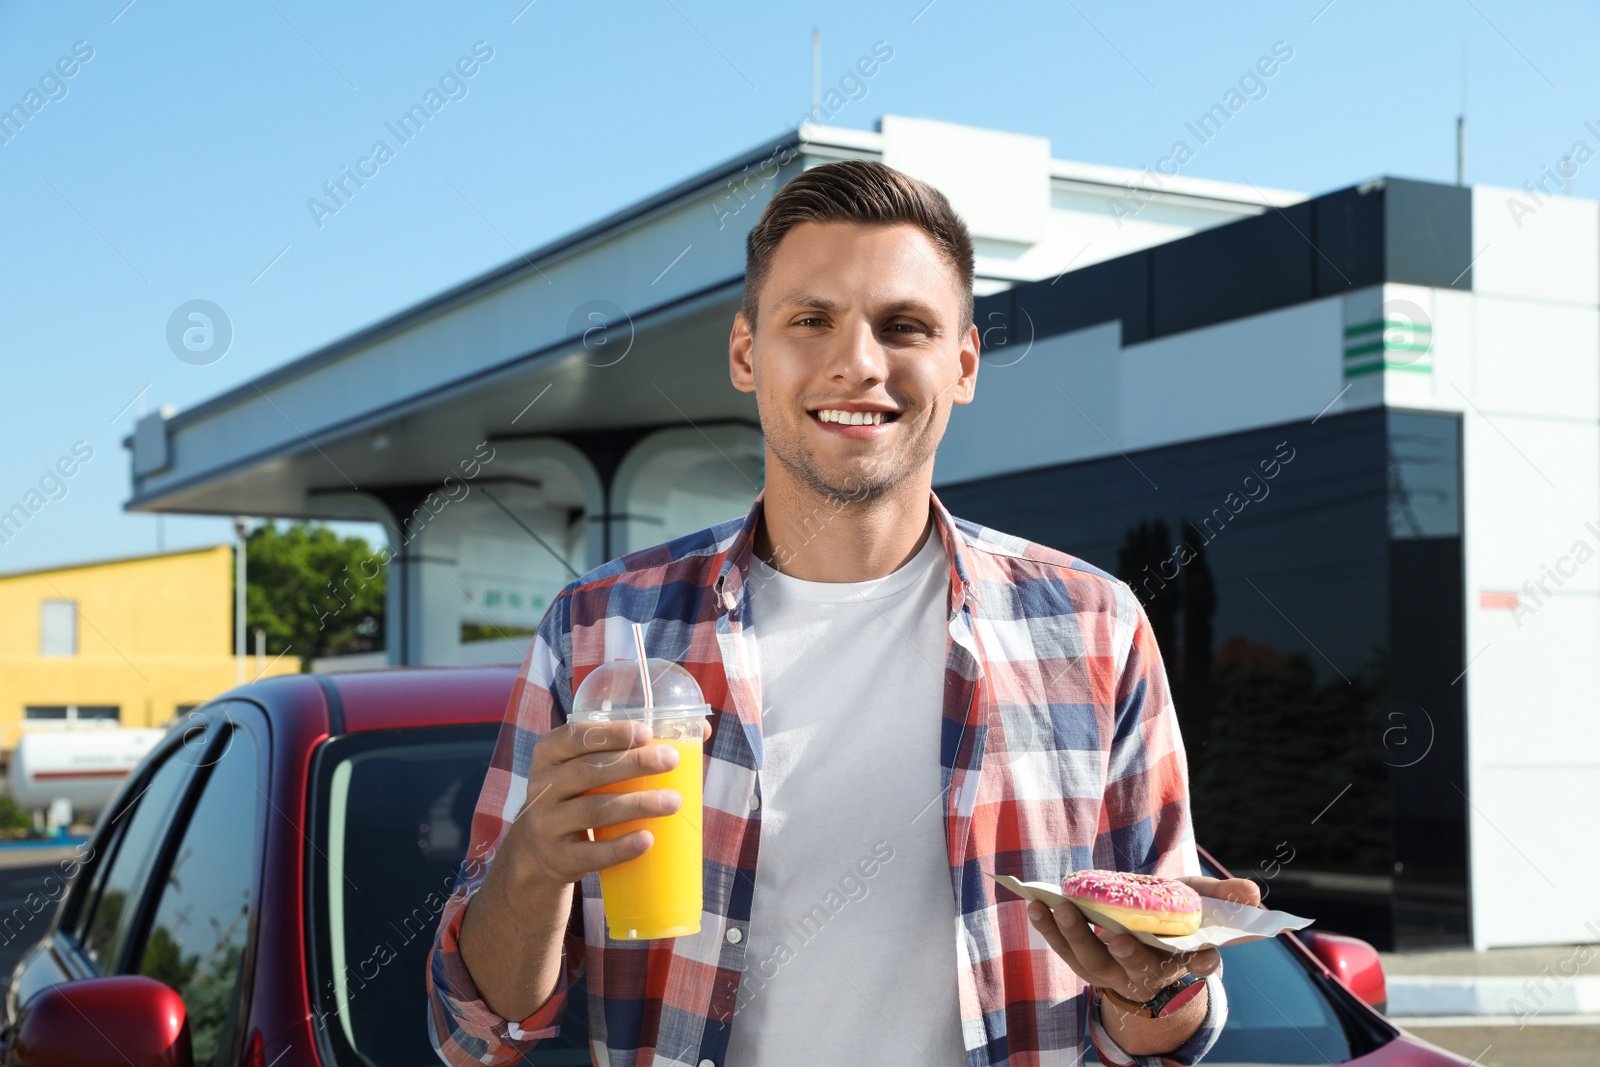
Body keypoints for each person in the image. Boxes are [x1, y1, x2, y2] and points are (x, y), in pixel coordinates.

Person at [426, 159, 1259, 1067]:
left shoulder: (1095, 630)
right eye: (811, 319)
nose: (857, 362)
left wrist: (1159, 987)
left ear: (965, 364)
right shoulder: (596, 632)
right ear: (747, 352)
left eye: (904, 326)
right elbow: (476, 1033)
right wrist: (535, 868)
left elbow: (1168, 1021)